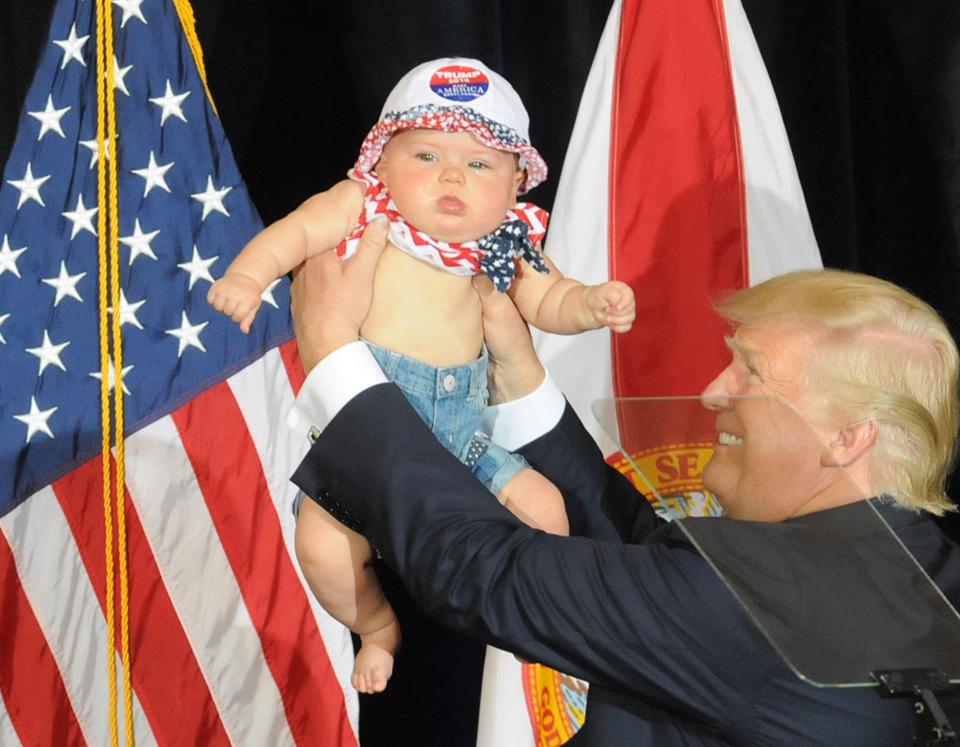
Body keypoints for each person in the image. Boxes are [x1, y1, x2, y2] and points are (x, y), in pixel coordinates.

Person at [286, 222, 960, 744]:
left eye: (750, 372)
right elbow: (655, 562)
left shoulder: (760, 605)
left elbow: (481, 571)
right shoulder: (924, 571)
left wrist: (338, 362)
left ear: (849, 437)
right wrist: (521, 378)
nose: (713, 390)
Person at [207, 57, 636, 692]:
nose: (452, 176)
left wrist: (590, 305)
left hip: (465, 433)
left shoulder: (504, 239)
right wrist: (248, 276)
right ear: (380, 160)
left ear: (517, 181)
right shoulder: (365, 207)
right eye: (426, 156)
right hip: (364, 437)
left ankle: (538, 630)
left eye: (480, 164)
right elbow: (293, 235)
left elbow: (549, 299)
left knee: (546, 508)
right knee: (326, 554)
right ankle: (377, 627)